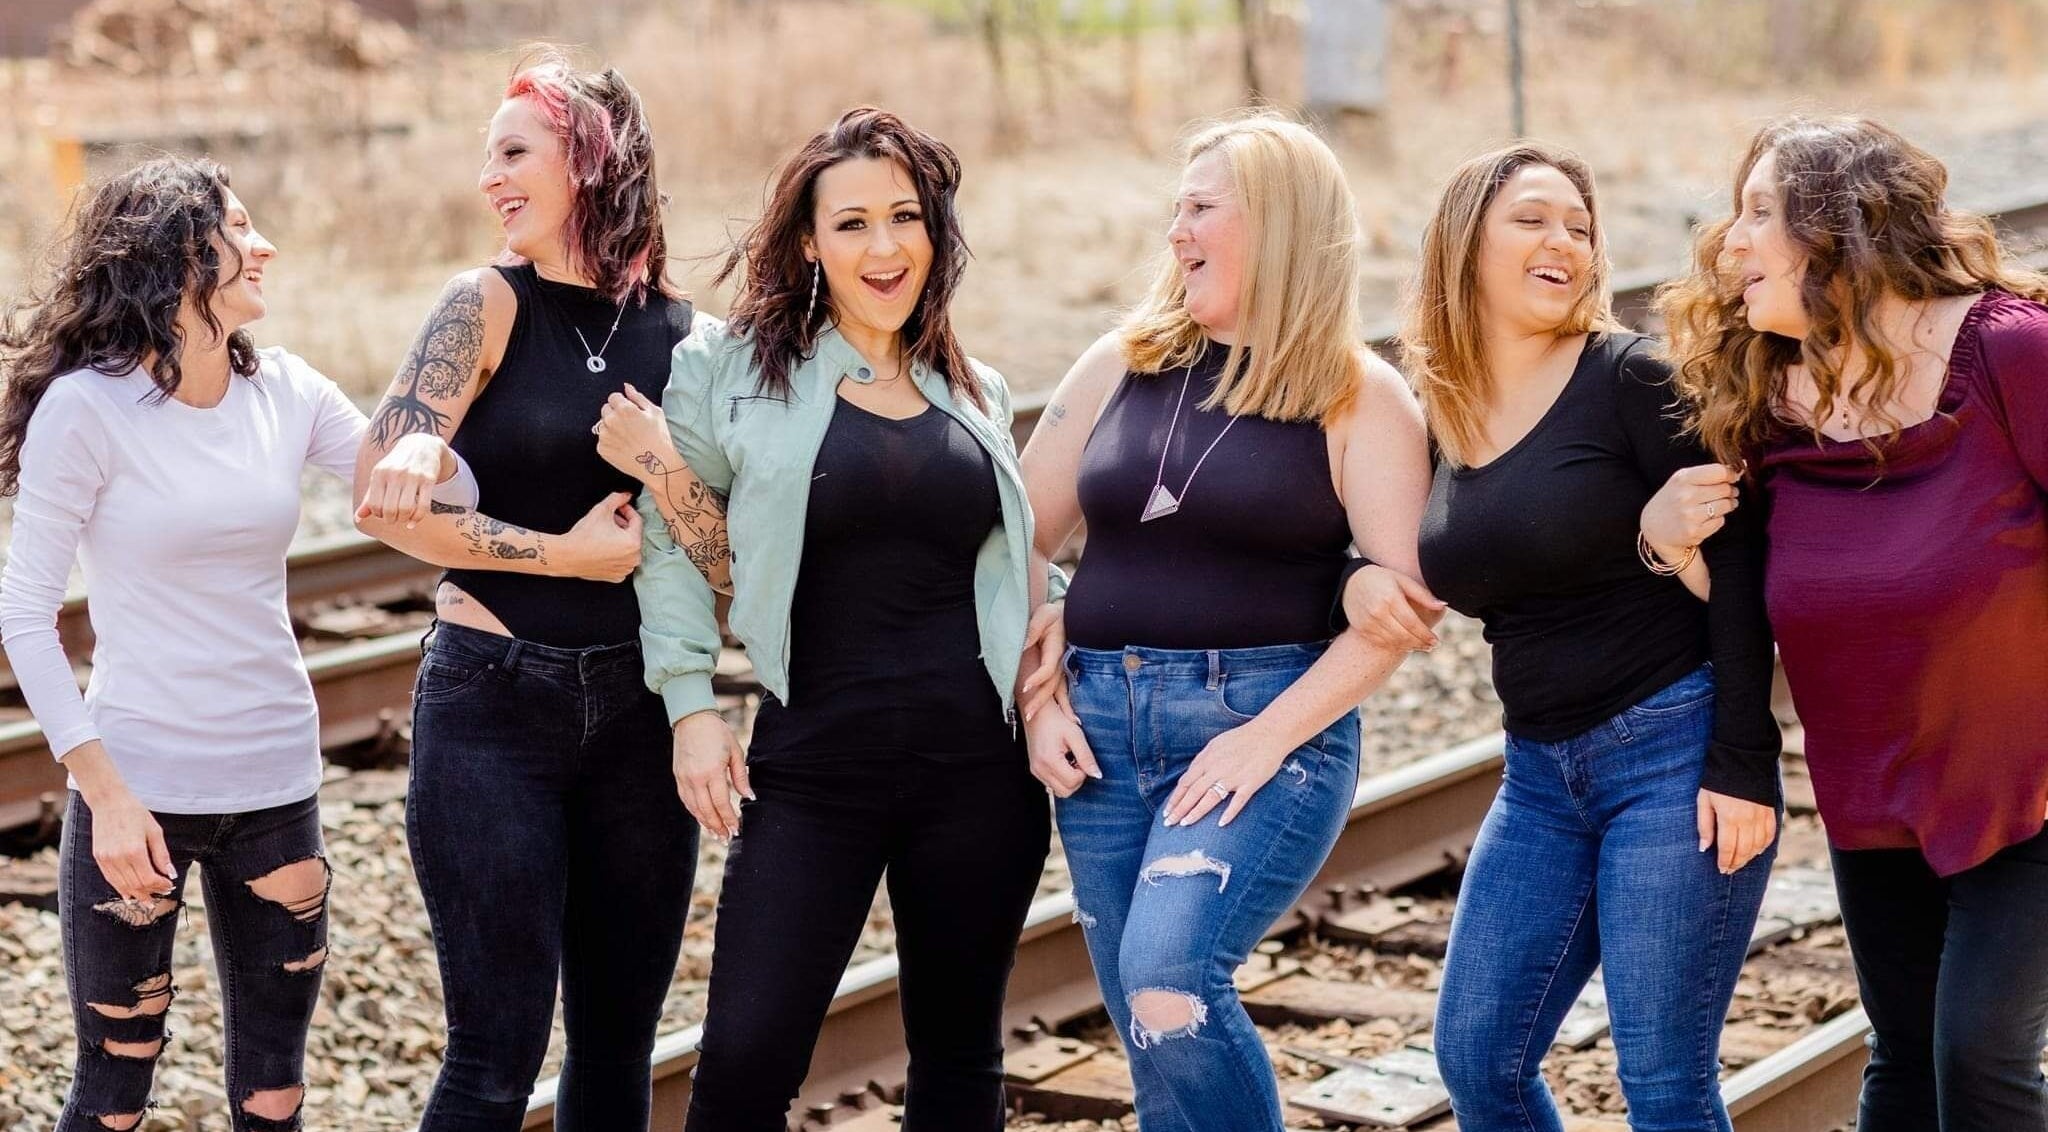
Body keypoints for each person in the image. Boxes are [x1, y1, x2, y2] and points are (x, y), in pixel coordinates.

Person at [0, 156, 471, 1132]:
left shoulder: (287, 389)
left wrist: (426, 445)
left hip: (274, 786)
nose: (266, 247)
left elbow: (444, 494)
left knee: (275, 1093)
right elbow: (23, 616)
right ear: (178, 255)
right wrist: (106, 793)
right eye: (242, 229)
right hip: (139, 792)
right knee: (113, 1097)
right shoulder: (85, 410)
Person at [615, 106, 1051, 1132]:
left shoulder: (973, 387)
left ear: (935, 234)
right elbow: (671, 542)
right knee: (743, 1066)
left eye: (904, 217)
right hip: (813, 767)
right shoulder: (732, 372)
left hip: (977, 772)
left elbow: (1012, 567)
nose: (884, 245)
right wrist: (689, 704)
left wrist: (1053, 669)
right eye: (850, 223)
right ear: (807, 241)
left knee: (959, 1057)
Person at [1349, 141, 1781, 1132]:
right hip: (1538, 775)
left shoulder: (1629, 377)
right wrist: (1356, 574)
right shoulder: (1438, 410)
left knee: (1662, 1079)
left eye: (1578, 228)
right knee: (1476, 1063)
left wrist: (1742, 762)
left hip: (1670, 752)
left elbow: (1741, 567)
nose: (1564, 243)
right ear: (1463, 246)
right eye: (1531, 220)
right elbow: (1380, 538)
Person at [1014, 112, 1432, 1131]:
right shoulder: (1119, 361)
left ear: (1279, 225)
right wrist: (1038, 698)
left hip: (1259, 726)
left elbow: (1400, 609)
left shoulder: (1357, 397)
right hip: (1098, 733)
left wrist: (1263, 735)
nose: (1175, 231)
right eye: (1176, 208)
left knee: (1169, 977)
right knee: (1146, 1030)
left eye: (1200, 208)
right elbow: (1013, 537)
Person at [1652, 115, 2048, 1132]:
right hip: (1875, 804)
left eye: (1755, 212)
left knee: (1976, 1058)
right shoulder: (1772, 400)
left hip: (2026, 793)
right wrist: (1668, 544)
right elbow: (1769, 605)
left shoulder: (2008, 353)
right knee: (1906, 1062)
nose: (1729, 242)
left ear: (1840, 231)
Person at [350, 51, 698, 1131]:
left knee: (614, 1053)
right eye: (486, 157)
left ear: (591, 162)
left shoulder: (691, 335)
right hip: (491, 701)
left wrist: (670, 475)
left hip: (641, 714)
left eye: (513, 153)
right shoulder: (483, 303)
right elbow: (377, 494)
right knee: (493, 1056)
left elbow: (730, 557)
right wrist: (562, 554)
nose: (490, 180)